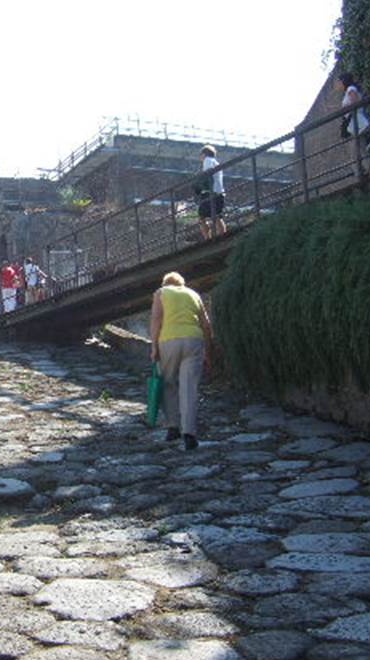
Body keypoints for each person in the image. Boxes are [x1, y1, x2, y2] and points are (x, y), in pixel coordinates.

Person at [149, 271, 213, 451]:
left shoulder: (161, 293)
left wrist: (154, 346)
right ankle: (189, 434)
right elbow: (206, 325)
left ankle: (173, 427)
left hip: (169, 341)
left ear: (165, 283)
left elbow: (156, 320)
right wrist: (207, 351)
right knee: (189, 388)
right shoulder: (194, 294)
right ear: (182, 284)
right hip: (194, 341)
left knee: (168, 383)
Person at [337, 72, 370, 165]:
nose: (337, 84)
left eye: (339, 82)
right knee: (361, 151)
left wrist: (346, 110)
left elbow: (354, 102)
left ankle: (368, 175)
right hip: (356, 124)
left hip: (357, 123)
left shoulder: (350, 89)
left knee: (358, 152)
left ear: (343, 82)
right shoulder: (349, 91)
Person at [197, 145, 227, 240]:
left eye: (200, 155)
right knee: (218, 216)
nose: (200, 158)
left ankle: (207, 238)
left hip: (210, 192)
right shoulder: (216, 162)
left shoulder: (208, 160)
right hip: (219, 192)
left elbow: (208, 173)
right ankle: (223, 236)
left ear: (204, 154)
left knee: (202, 217)